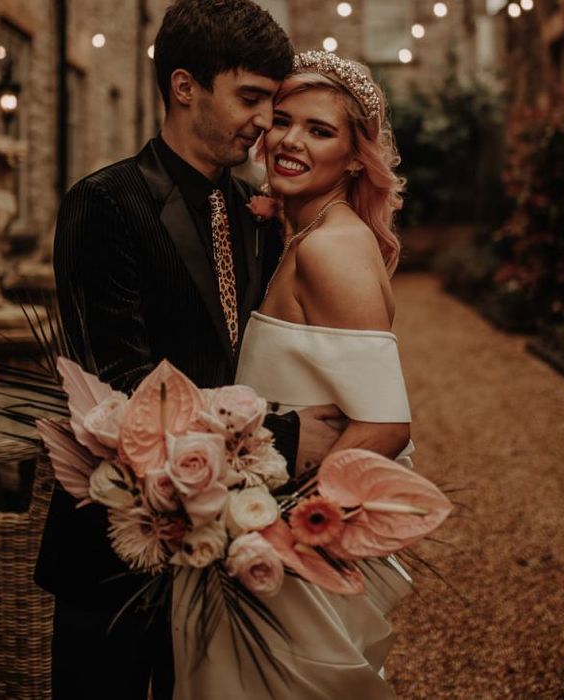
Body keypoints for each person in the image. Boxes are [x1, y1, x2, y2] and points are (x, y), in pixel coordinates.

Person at [39, 3, 340, 699]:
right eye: (251, 97)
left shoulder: (253, 212)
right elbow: (126, 392)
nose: (266, 120)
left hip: (228, 545)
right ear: (184, 86)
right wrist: (290, 435)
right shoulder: (106, 203)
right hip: (117, 546)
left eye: (273, 99)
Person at [171, 50, 413, 699]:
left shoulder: (333, 248)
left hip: (289, 539)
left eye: (320, 130)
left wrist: (281, 530)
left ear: (357, 156)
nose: (290, 142)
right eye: (282, 121)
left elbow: (386, 424)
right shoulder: (299, 235)